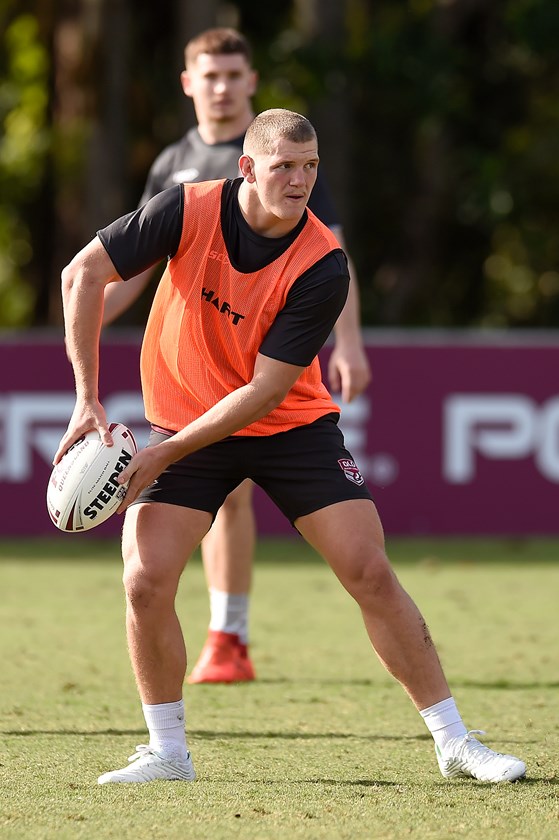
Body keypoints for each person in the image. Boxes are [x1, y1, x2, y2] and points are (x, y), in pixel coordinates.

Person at [56, 108, 526, 786]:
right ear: (246, 168)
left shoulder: (323, 263)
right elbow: (81, 274)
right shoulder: (185, 208)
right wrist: (86, 400)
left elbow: (265, 391)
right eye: (284, 167)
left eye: (310, 167)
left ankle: (454, 741)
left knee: (368, 570)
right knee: (144, 580)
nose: (300, 180)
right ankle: (167, 752)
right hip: (183, 421)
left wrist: (162, 454)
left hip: (289, 429)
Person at [102, 27, 371, 685]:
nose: (222, 87)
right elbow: (135, 265)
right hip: (193, 359)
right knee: (202, 509)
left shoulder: (283, 155)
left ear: (250, 81)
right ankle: (221, 640)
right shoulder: (173, 163)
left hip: (257, 364)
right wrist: (84, 315)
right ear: (188, 83)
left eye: (233, 75)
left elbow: (329, 254)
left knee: (235, 491)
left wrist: (350, 342)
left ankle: (229, 632)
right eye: (210, 75)